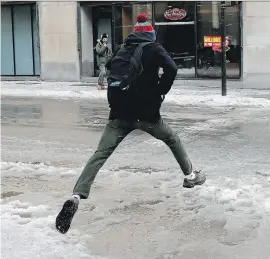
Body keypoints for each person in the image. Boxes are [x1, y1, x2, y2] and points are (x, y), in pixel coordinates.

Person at [55, 13, 206, 234]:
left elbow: (109, 71)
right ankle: (190, 176)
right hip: (147, 115)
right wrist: (160, 90)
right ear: (150, 33)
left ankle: (76, 195)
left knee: (100, 154)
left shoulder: (121, 48)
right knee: (172, 139)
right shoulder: (153, 48)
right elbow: (172, 68)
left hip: (119, 115)